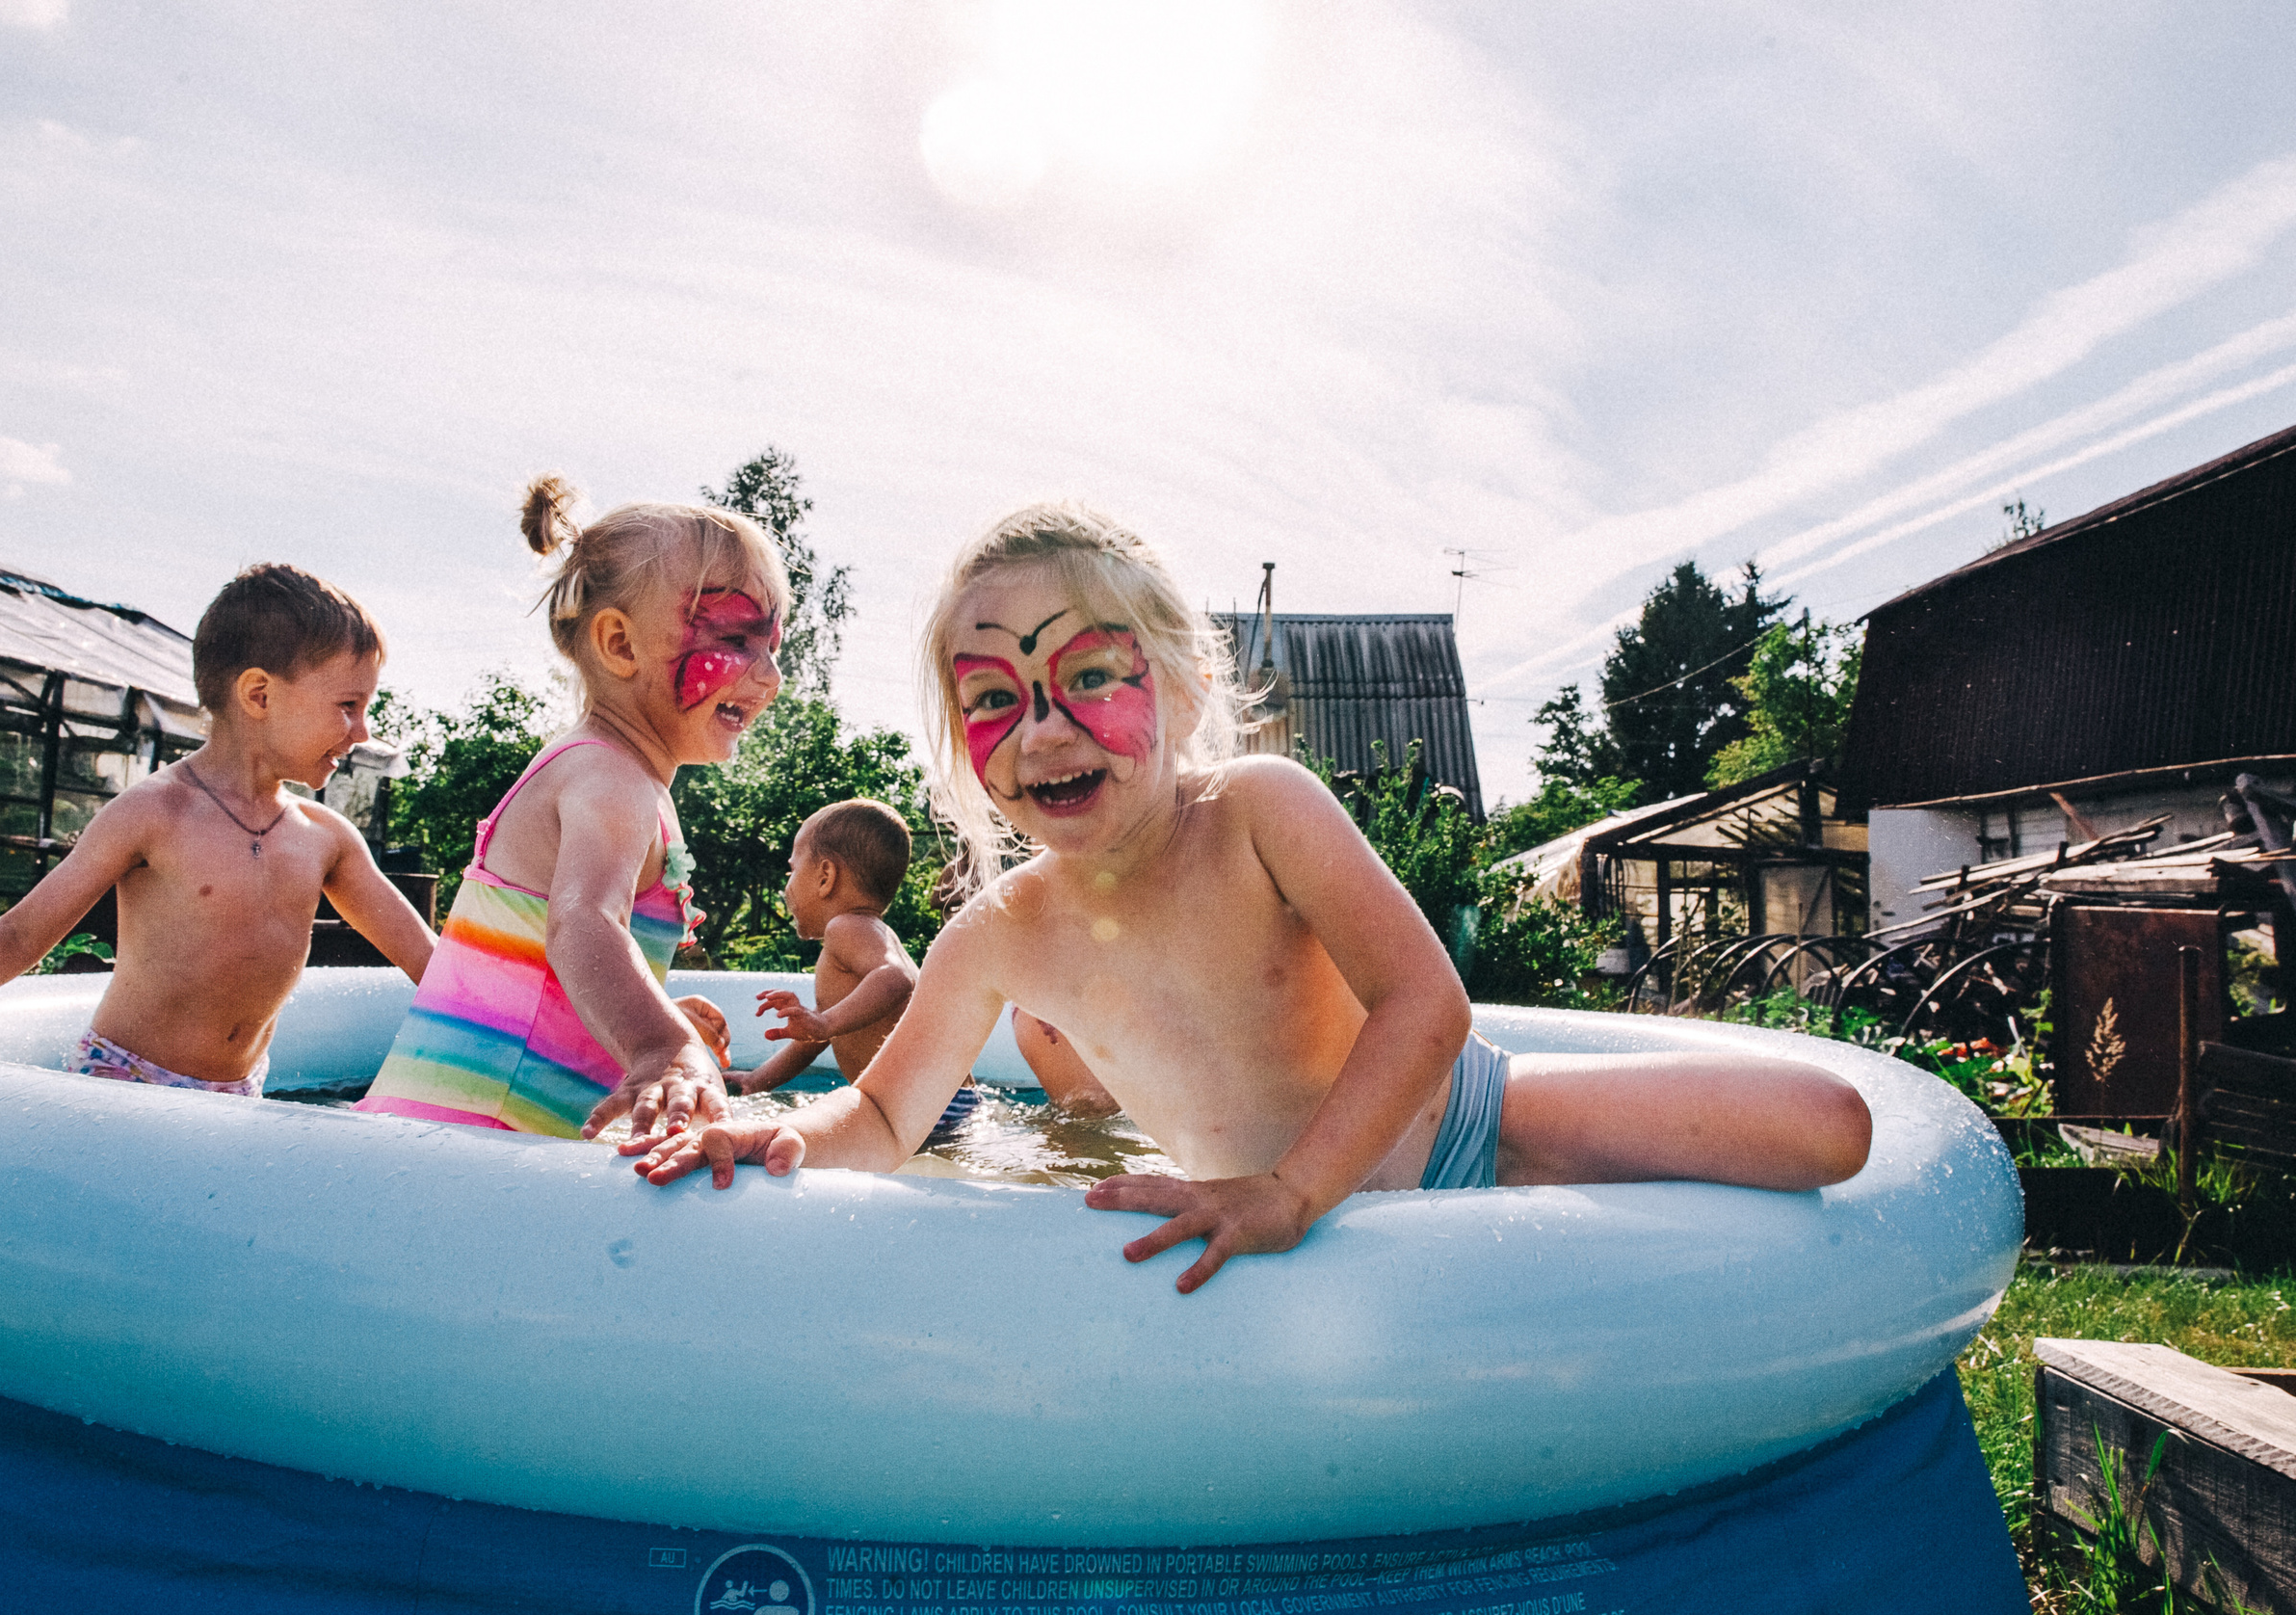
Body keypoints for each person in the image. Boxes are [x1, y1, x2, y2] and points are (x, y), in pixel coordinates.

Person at [634, 503, 1871, 1292]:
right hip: (1294, 1216)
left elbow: (1424, 1002)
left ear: (1176, 680)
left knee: (1827, 1124)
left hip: (1470, 1131)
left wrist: (1291, 1190)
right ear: (964, 741)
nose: (1046, 729)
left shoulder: (1259, 811)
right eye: (996, 698)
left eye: (1090, 676)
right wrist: (782, 1132)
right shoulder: (1000, 933)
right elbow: (888, 1118)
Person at [0, 564, 434, 1095]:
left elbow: (429, 963)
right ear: (258, 695)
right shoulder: (155, 813)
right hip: (124, 1084)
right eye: (349, 705)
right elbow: (20, 935)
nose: (362, 732)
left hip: (241, 1091)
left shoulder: (325, 838)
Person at [355, 477, 784, 1143]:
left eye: (773, 645)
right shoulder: (608, 775)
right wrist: (661, 1045)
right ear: (620, 644)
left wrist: (653, 1009)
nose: (770, 674)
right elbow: (584, 919)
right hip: (459, 1145)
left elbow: (546, 971)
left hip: (463, 1145)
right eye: (736, 640)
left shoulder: (624, 777)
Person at [726, 798, 925, 1097]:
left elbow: (896, 978)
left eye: (791, 871)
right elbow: (817, 1039)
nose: (786, 885)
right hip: (935, 1101)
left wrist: (824, 1022)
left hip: (923, 1105)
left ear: (825, 877)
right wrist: (756, 1080)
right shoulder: (868, 937)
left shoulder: (845, 927)